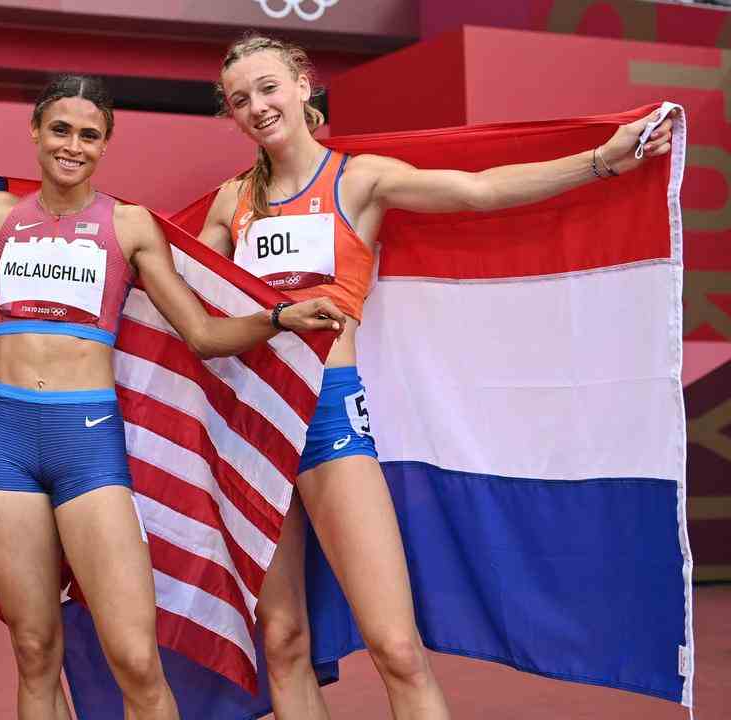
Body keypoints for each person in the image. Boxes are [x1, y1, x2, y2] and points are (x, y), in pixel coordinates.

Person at [198, 35, 677, 720]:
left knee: (395, 646)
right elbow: (183, 307)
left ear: (304, 85)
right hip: (252, 423)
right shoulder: (228, 205)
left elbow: (479, 192)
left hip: (330, 416)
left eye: (269, 88)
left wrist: (601, 162)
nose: (257, 106)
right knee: (281, 640)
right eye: (240, 100)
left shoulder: (357, 180)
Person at [0, 75, 347, 720]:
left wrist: (278, 318)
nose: (72, 146)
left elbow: (201, 333)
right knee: (32, 650)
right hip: (10, 447)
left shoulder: (130, 224)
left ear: (106, 144)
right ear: (34, 131)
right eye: (60, 130)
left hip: (87, 444)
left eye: (89, 135)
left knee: (136, 657)